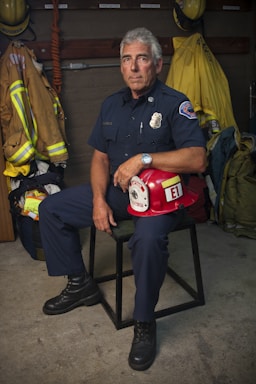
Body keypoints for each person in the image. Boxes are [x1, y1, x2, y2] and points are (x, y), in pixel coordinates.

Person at [39, 27, 207, 371]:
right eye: (127, 59)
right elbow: (100, 158)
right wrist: (99, 200)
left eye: (142, 59)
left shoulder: (176, 104)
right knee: (51, 208)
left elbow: (197, 159)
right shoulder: (111, 104)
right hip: (118, 193)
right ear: (121, 66)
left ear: (157, 65)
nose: (133, 67)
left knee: (146, 240)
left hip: (160, 199)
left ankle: (144, 321)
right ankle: (79, 282)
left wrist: (144, 159)